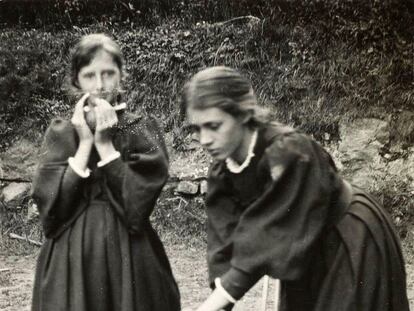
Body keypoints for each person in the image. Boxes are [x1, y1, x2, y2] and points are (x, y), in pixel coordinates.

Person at [182, 66, 409, 311]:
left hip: (348, 239)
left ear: (243, 114)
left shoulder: (289, 152)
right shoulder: (222, 171)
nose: (204, 139)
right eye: (196, 129)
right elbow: (224, 245)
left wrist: (211, 306)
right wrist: (217, 304)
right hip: (302, 247)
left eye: (214, 126)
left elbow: (266, 237)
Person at [31, 33, 180, 311]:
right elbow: (51, 218)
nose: (100, 85)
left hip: (129, 259)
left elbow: (137, 210)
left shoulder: (139, 129)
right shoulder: (61, 133)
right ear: (77, 81)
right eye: (90, 75)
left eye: (109, 73)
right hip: (72, 263)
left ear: (121, 75)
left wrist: (105, 145)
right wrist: (86, 144)